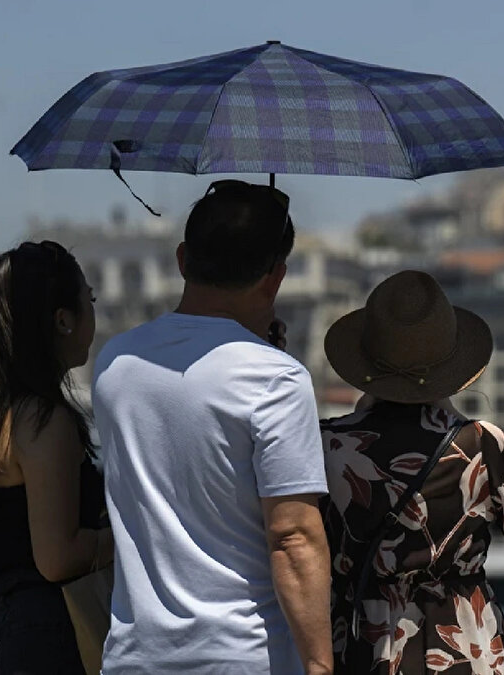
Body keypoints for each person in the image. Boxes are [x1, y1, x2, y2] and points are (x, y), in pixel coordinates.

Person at [93, 180, 333, 675]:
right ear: (275, 278)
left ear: (183, 259)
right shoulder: (275, 379)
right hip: (241, 656)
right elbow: (292, 537)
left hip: (135, 658)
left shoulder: (116, 361)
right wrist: (320, 665)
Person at [319, 270, 504, 675]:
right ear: (450, 372)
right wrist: (447, 411)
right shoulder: (484, 443)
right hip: (464, 639)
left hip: (365, 638)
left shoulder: (328, 444)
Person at [0, 240, 112, 675]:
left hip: (9, 634)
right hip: (54, 637)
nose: (94, 313)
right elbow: (57, 558)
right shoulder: (45, 421)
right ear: (63, 320)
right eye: (90, 299)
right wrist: (130, 537)